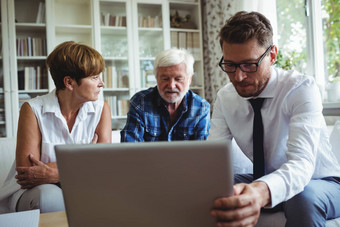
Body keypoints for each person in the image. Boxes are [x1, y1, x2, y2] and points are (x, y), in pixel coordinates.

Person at [208, 11, 340, 226]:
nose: (238, 77)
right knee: (210, 190)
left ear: (272, 55)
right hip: (263, 177)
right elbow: (211, 160)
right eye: (230, 65)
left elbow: (301, 164)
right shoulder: (225, 97)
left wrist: (259, 192)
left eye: (249, 65)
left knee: (302, 199)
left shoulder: (300, 89)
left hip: (320, 182)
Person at [0, 41, 112, 213]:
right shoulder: (33, 109)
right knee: (50, 197)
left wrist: (56, 173)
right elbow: (27, 173)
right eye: (94, 77)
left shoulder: (101, 109)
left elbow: (103, 168)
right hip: (31, 192)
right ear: (69, 82)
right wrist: (84, 162)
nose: (102, 83)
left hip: (80, 189)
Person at [120, 48, 210, 142]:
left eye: (178, 79)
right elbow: (131, 148)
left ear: (189, 79)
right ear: (156, 78)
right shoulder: (140, 102)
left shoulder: (201, 107)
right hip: (147, 157)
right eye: (165, 78)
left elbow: (202, 152)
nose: (171, 86)